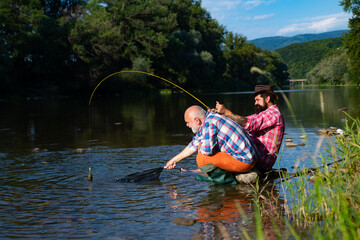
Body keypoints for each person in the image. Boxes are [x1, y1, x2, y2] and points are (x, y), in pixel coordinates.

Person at [164, 105, 258, 176]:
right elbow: (193, 144)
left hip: (245, 161)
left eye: (188, 122)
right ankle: (201, 171)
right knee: (207, 150)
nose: (187, 125)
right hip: (250, 157)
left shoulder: (209, 124)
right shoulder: (210, 118)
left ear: (197, 120)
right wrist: (173, 160)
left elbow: (207, 152)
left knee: (201, 158)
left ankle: (206, 174)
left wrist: (200, 147)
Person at [214, 85, 284, 173]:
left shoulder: (273, 114)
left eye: (257, 100)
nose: (255, 103)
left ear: (267, 99)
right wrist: (221, 116)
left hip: (260, 163)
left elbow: (249, 123)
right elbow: (242, 121)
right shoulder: (263, 114)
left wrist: (227, 112)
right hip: (254, 157)